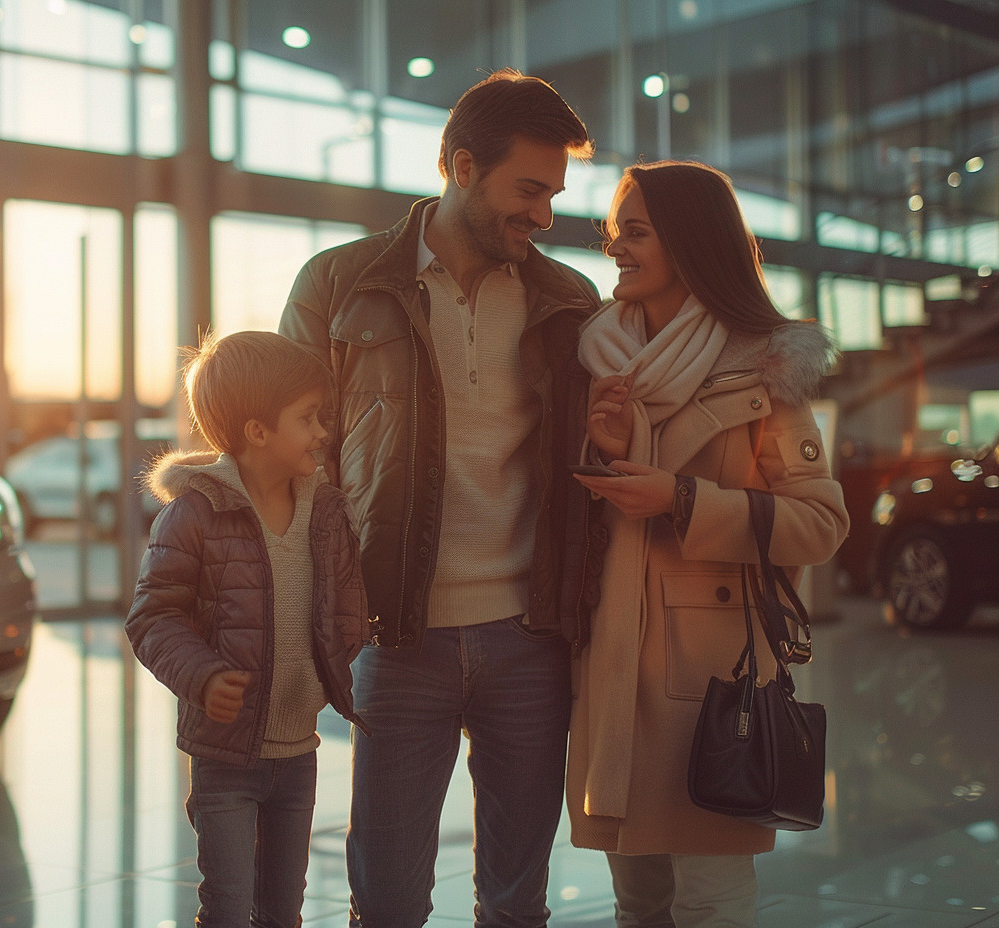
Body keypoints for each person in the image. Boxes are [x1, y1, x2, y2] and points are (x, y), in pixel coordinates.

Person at [278, 68, 603, 927]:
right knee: (385, 903)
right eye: (528, 189)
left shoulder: (570, 302)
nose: (543, 214)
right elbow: (286, 464)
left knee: (516, 901)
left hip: (532, 637)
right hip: (395, 635)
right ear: (462, 167)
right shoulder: (338, 286)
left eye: (553, 194)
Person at [564, 159, 850, 928]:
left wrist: (684, 499)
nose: (614, 247)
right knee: (638, 905)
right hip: (612, 670)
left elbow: (821, 523)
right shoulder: (599, 356)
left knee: (712, 906)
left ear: (690, 243)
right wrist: (607, 445)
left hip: (714, 681)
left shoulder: (763, 366)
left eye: (636, 231)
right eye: (613, 230)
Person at [124, 330, 370, 928]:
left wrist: (338, 656)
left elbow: (345, 608)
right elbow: (153, 618)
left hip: (299, 752)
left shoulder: (326, 512)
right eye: (308, 418)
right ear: (258, 432)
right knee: (230, 910)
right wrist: (204, 677)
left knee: (283, 911)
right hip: (225, 757)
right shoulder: (193, 516)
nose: (322, 432)